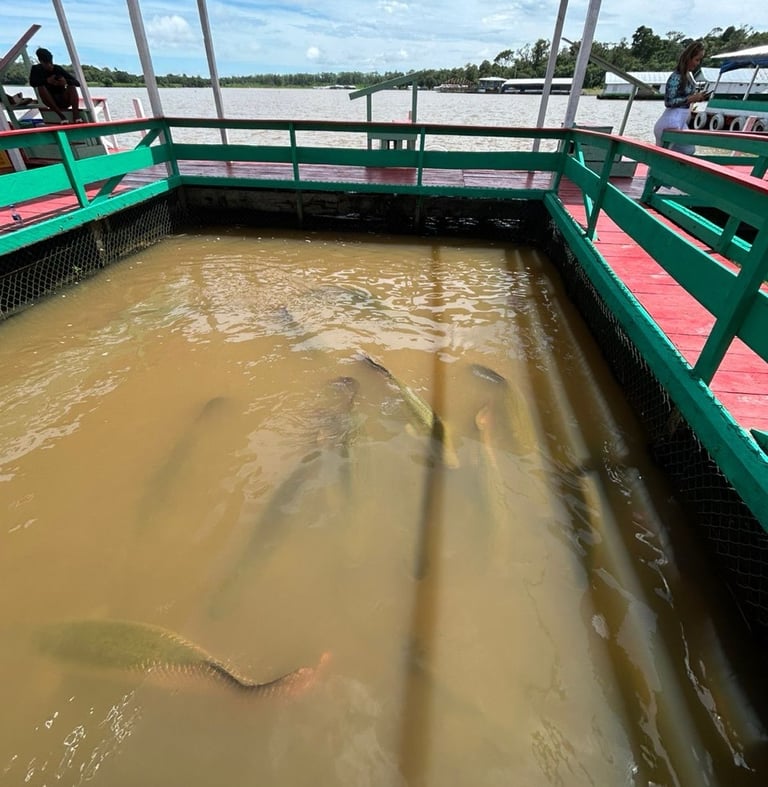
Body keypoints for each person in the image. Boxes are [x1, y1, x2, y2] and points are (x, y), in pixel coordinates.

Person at [653, 41, 708, 155]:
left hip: (680, 121)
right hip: (671, 122)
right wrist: (691, 99)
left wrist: (697, 98)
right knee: (664, 156)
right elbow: (668, 101)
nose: (698, 63)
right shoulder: (676, 77)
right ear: (689, 58)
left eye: (700, 60)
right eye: (696, 59)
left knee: (688, 150)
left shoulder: (688, 76)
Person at [28, 47, 82, 124]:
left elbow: (77, 83)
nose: (49, 65)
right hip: (50, 101)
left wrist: (65, 81)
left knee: (71, 86)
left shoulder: (57, 69)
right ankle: (61, 116)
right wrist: (47, 81)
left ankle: (76, 115)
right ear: (41, 62)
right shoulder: (36, 69)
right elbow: (33, 83)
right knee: (41, 87)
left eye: (50, 62)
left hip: (63, 98)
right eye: (47, 63)